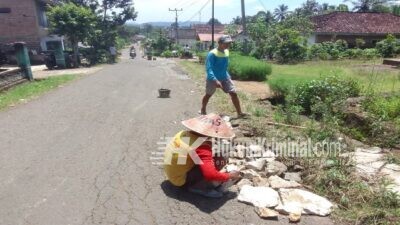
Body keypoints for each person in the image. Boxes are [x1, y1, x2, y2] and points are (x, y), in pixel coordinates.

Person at [163, 113, 241, 198]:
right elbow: (210, 175)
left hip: (171, 173)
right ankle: (199, 188)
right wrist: (229, 176)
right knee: (220, 159)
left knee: (213, 159)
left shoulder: (182, 133)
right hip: (181, 181)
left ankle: (195, 180)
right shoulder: (202, 146)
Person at [201, 35, 248, 118]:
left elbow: (225, 65)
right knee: (208, 95)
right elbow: (209, 68)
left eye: (229, 43)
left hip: (225, 77)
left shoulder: (226, 52)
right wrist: (215, 80)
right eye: (226, 43)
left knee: (233, 93)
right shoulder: (212, 54)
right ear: (219, 43)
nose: (228, 45)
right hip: (213, 78)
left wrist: (227, 75)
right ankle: (203, 109)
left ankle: (239, 113)